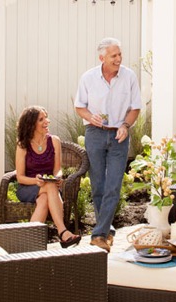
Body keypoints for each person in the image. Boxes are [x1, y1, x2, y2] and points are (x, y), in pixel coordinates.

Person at [74, 37, 142, 252]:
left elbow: (135, 108)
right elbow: (79, 106)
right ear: (102, 57)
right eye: (114, 55)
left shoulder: (129, 77)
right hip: (94, 133)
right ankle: (108, 229)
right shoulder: (88, 78)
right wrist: (90, 116)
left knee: (113, 185)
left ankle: (99, 234)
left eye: (120, 54)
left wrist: (125, 125)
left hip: (118, 136)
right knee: (98, 186)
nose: (119, 59)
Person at [15, 105, 81, 248]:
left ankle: (28, 243)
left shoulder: (54, 141)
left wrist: (58, 177)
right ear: (32, 124)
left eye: (46, 117)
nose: (47, 121)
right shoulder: (23, 145)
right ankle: (63, 232)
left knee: (45, 198)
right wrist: (36, 181)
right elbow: (20, 177)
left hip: (49, 187)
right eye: (41, 119)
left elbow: (57, 170)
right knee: (49, 186)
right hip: (28, 187)